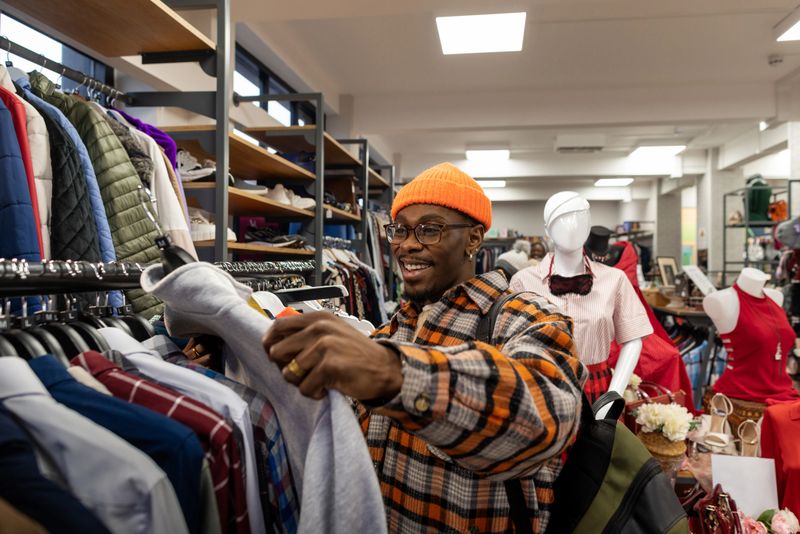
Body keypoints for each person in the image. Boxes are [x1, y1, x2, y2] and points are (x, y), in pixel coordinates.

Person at [263, 162, 586, 533]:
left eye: (429, 229)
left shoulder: (525, 317)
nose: (408, 244)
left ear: (474, 238)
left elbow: (546, 419)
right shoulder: (388, 333)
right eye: (399, 230)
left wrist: (393, 374)